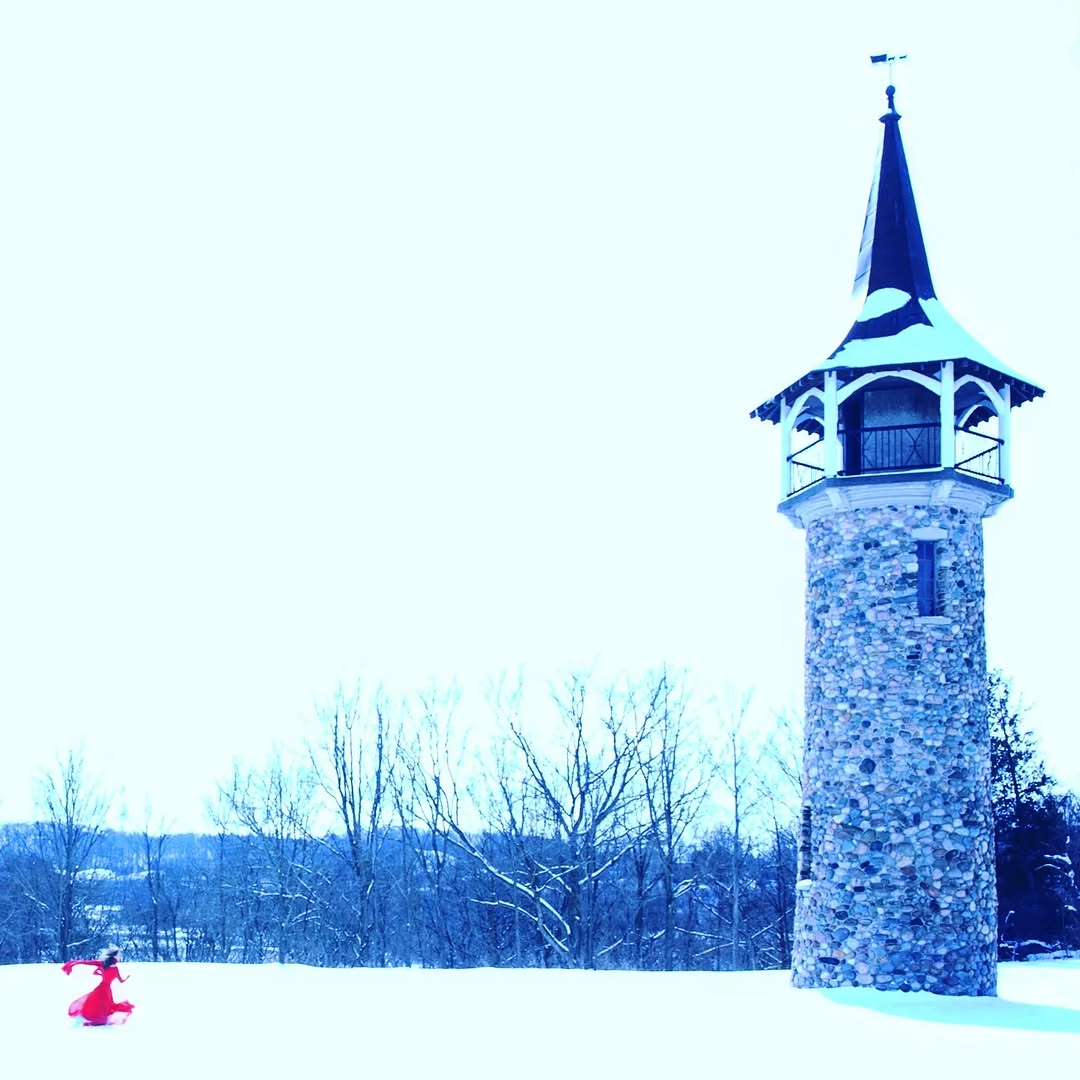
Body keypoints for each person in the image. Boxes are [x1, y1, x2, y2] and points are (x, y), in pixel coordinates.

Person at [61, 947, 135, 1026]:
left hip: (102, 988)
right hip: (106, 989)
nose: (119, 958)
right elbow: (121, 980)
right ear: (115, 957)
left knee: (97, 1003)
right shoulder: (113, 968)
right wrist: (126, 978)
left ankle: (94, 1018)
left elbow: (88, 964)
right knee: (103, 1005)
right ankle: (97, 1018)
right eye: (118, 956)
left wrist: (75, 963)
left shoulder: (104, 964)